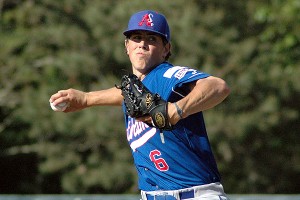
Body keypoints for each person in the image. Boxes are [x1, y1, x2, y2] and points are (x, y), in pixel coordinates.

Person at [50, 10, 231, 200]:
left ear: (166, 49)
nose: (142, 44)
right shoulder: (136, 89)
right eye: (136, 37)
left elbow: (218, 86)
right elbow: (124, 94)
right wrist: (87, 99)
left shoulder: (166, 75)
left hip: (193, 195)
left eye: (152, 39)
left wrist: (176, 110)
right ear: (126, 46)